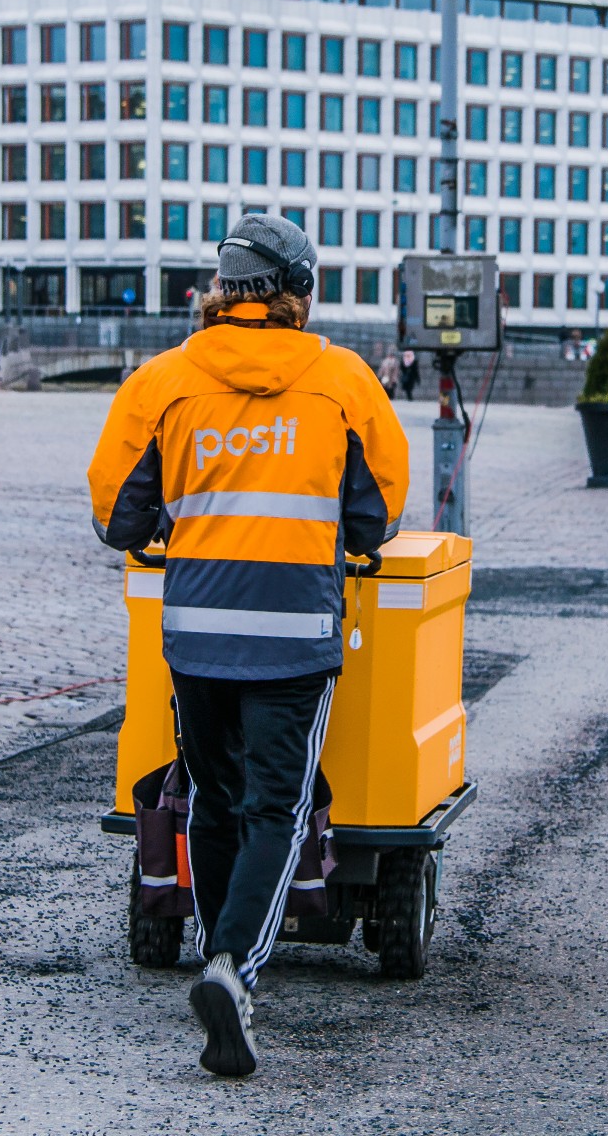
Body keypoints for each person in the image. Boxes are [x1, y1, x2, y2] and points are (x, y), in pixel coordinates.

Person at [87, 214, 409, 1079]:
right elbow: (378, 513)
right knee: (278, 809)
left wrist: (173, 515)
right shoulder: (342, 381)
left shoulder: (163, 380)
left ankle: (214, 954)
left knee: (217, 801)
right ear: (299, 292)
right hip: (295, 638)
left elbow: (117, 512)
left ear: (224, 289)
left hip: (195, 634)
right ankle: (233, 967)